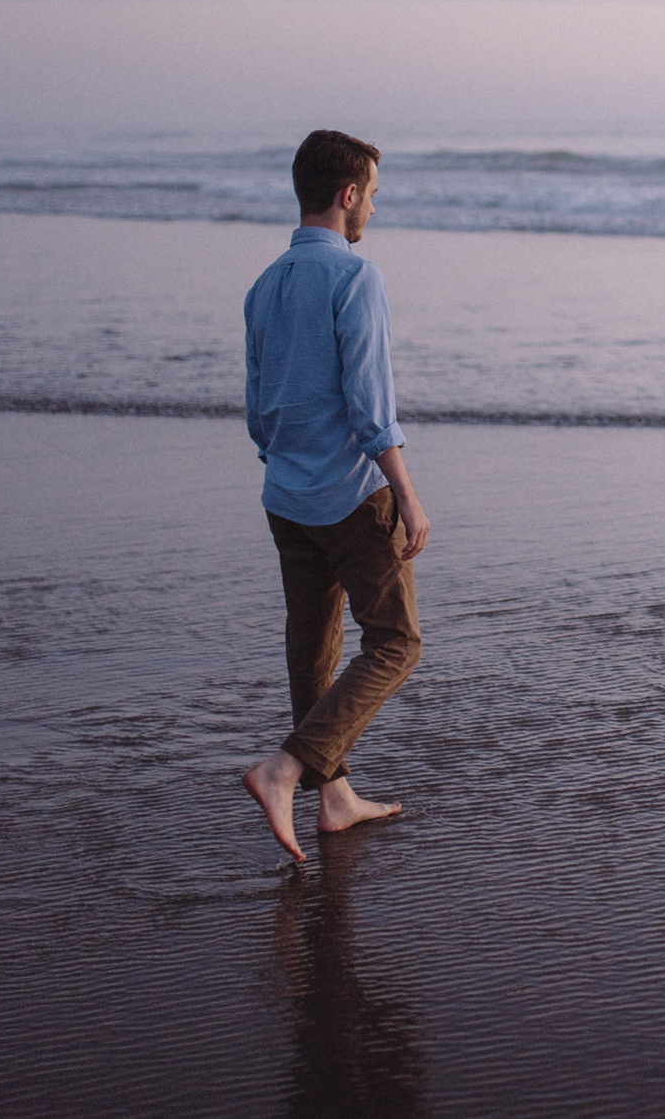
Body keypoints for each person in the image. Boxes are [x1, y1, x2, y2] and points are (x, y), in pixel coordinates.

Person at [240, 130, 433, 863]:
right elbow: (370, 406)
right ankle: (286, 768)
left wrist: (286, 459)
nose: (374, 209)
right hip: (351, 495)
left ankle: (334, 795)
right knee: (396, 640)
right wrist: (406, 494)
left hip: (285, 493)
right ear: (348, 194)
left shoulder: (264, 284)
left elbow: (259, 410)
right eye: (373, 195)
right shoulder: (357, 278)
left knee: (312, 648)